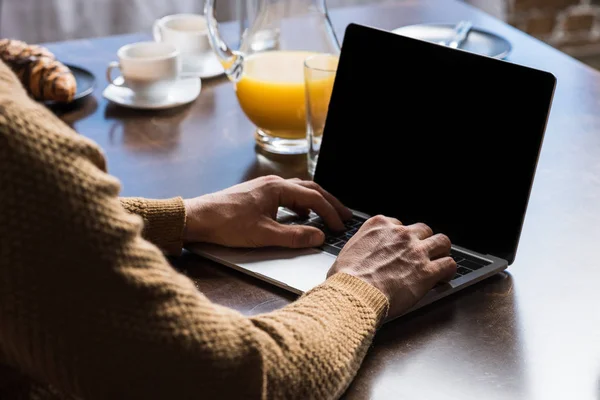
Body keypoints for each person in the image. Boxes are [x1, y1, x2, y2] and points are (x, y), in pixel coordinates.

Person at [0, 59, 456, 400]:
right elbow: (226, 380)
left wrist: (183, 217)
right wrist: (361, 288)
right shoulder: (14, 140)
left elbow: (30, 229)